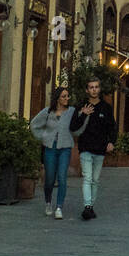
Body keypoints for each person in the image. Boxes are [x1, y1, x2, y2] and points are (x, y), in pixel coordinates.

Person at [69, 77, 117, 220]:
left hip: (100, 148)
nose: (94, 90)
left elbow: (112, 128)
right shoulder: (81, 106)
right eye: (91, 87)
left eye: (96, 87)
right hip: (85, 147)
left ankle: (91, 206)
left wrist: (112, 142)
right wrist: (83, 114)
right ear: (87, 90)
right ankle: (87, 206)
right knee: (87, 178)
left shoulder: (106, 108)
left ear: (99, 89)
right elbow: (73, 127)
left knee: (95, 180)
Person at [30, 85, 76, 219]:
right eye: (64, 96)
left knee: (62, 177)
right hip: (50, 148)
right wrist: (43, 137)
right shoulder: (47, 111)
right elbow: (34, 124)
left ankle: (59, 207)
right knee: (49, 179)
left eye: (68, 96)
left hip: (65, 147)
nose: (67, 98)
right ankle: (48, 202)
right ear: (57, 98)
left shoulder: (72, 111)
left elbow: (79, 124)